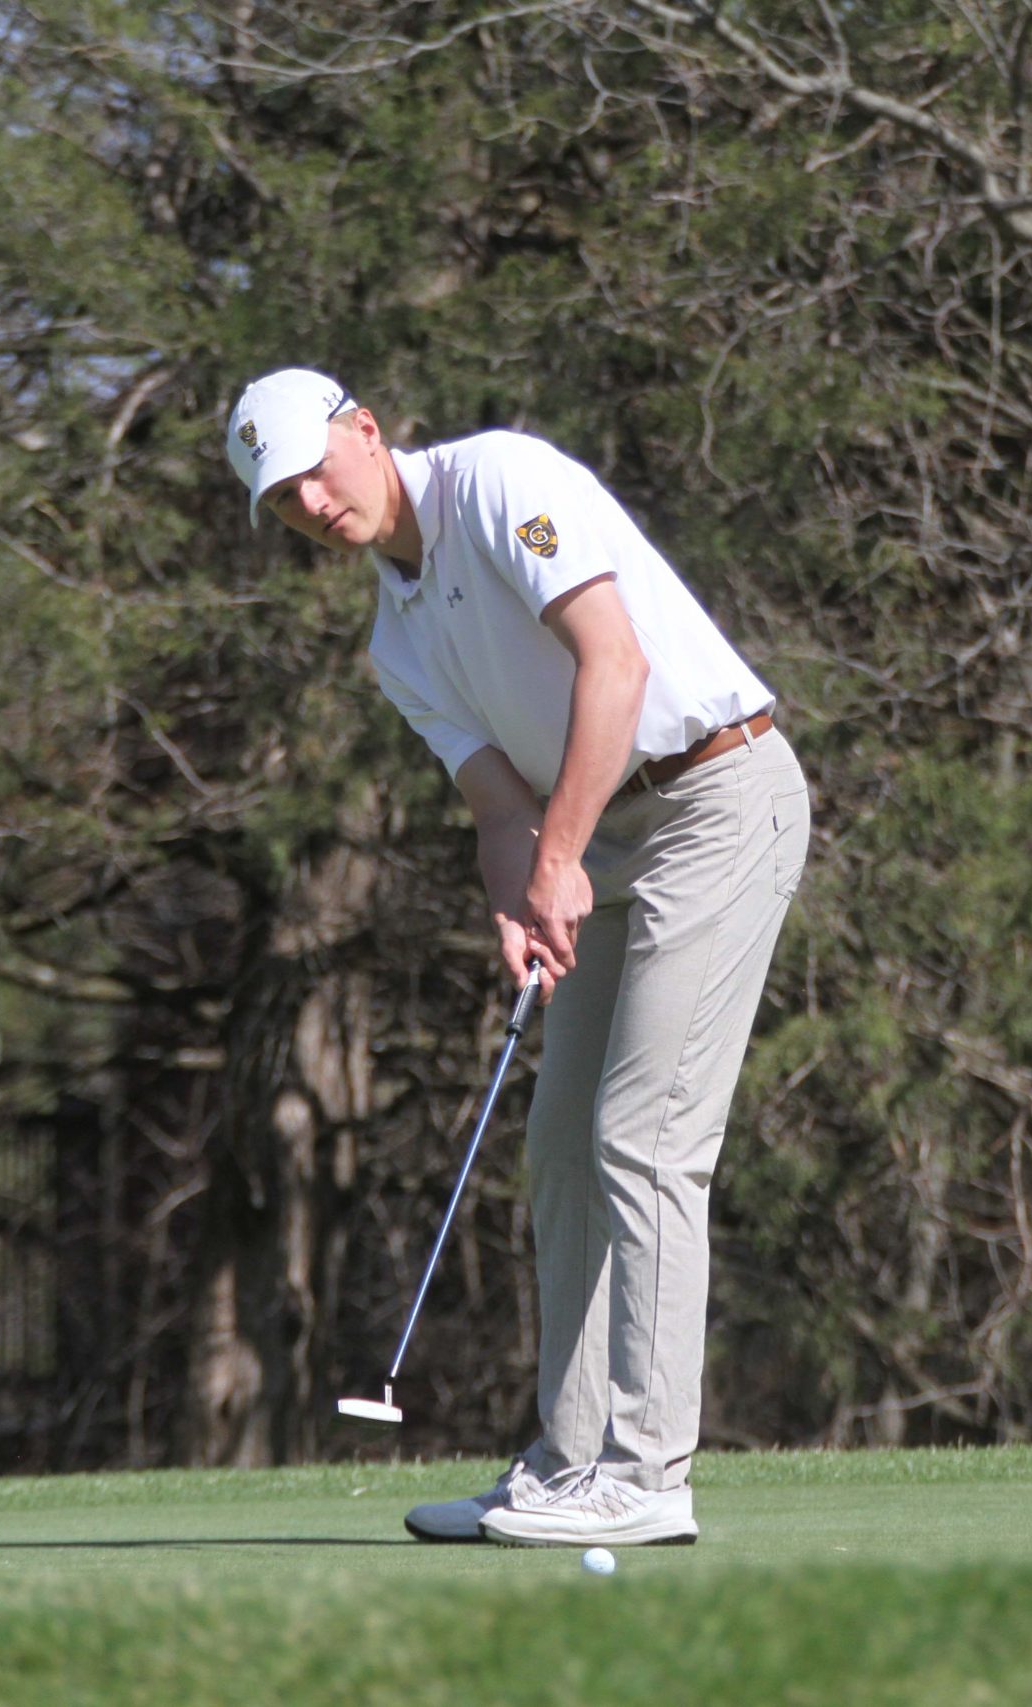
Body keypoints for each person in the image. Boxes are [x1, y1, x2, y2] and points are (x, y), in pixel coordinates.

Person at [226, 368, 810, 1547]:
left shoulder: (502, 480)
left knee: (643, 1137)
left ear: (366, 431)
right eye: (282, 500)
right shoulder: (396, 642)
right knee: (558, 1148)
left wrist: (558, 855)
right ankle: (564, 1461)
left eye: (314, 471)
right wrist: (522, 895)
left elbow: (617, 665)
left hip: (717, 796)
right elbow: (500, 811)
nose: (310, 505)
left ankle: (647, 1475)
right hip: (597, 835)